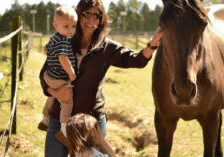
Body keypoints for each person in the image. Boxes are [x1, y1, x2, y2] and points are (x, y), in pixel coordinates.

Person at [39, 0, 162, 156]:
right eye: (87, 14)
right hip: (60, 118)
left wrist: (154, 42)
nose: (91, 20)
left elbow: (137, 60)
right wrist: (55, 93)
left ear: (101, 19)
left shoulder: (107, 48)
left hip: (91, 121)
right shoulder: (62, 42)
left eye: (96, 16)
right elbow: (44, 74)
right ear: (78, 15)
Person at [38, 5, 77, 144]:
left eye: (73, 26)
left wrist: (51, 57)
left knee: (54, 96)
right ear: (56, 25)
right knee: (67, 100)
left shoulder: (54, 37)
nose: (70, 30)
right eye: (66, 26)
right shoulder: (63, 41)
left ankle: (45, 119)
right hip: (58, 78)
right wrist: (72, 74)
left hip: (49, 75)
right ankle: (64, 131)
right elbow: (63, 59)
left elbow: (45, 50)